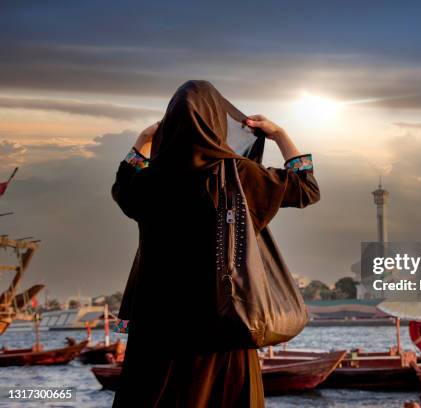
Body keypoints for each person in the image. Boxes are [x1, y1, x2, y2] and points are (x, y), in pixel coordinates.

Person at [111, 80, 320, 407]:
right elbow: (307, 188)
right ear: (217, 122)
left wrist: (144, 139)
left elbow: (122, 183)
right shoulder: (239, 174)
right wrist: (279, 133)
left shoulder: (149, 182)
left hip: (156, 335)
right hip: (223, 329)